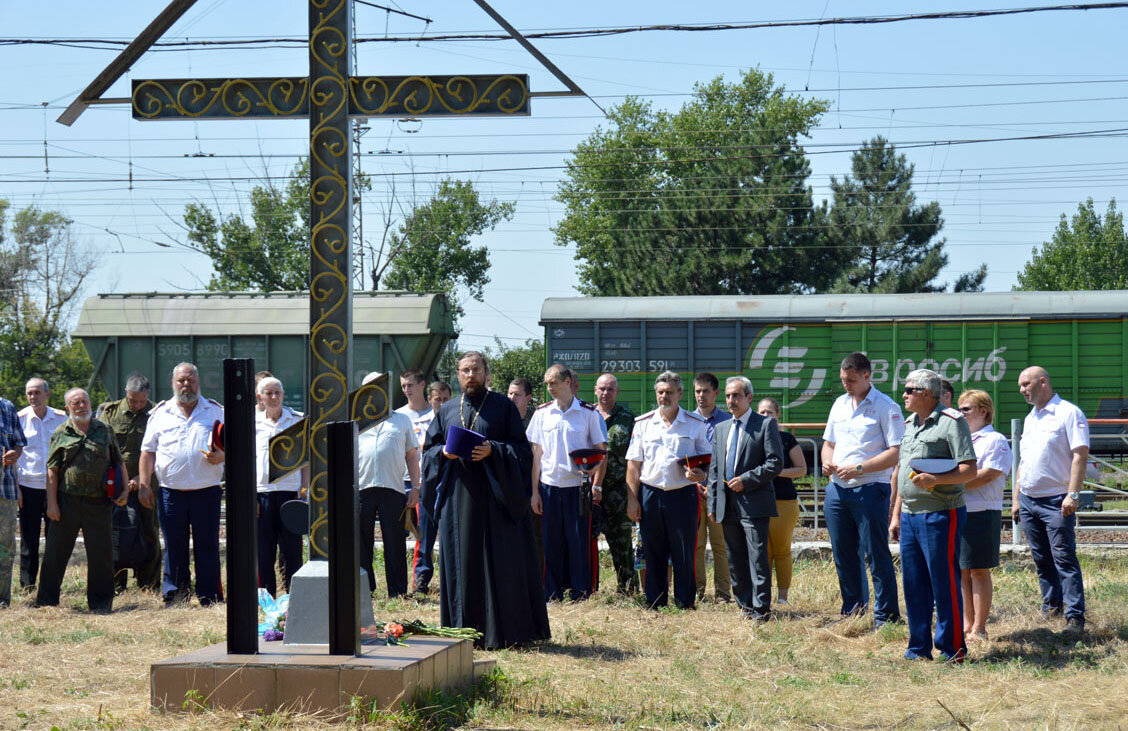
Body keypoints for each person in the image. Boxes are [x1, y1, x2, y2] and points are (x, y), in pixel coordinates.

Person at [421, 351, 550, 648]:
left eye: (475, 369)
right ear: (457, 375)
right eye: (464, 370)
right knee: (463, 562)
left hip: (496, 500)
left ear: (486, 373)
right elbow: (429, 451)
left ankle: (504, 632)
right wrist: (444, 453)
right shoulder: (448, 410)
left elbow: (522, 452)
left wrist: (493, 450)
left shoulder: (503, 407)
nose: (470, 375)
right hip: (459, 500)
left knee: (499, 564)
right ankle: (464, 630)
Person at [889, 369, 976, 662]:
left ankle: (952, 650)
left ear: (927, 394)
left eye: (909, 390)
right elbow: (904, 472)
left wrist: (935, 480)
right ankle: (918, 648)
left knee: (944, 582)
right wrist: (896, 515)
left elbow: (969, 469)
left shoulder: (952, 422)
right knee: (914, 584)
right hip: (912, 515)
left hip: (940, 513)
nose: (904, 394)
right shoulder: (910, 424)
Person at [821, 352, 903, 627]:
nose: (847, 384)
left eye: (852, 380)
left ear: (867, 376)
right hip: (837, 490)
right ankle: (853, 611)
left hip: (870, 488)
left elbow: (896, 452)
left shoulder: (885, 406)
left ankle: (886, 616)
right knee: (843, 553)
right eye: (844, 379)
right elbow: (828, 443)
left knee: (875, 554)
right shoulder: (839, 405)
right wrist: (826, 462)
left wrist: (860, 468)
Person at [139, 362, 225, 606]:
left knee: (207, 546)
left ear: (198, 382)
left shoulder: (216, 412)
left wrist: (222, 456)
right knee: (174, 547)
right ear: (173, 383)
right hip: (171, 493)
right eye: (181, 381)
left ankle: (210, 596)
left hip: (206, 491)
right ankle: (176, 596)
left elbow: (235, 446)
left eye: (191, 380)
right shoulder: (159, 414)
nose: (186, 385)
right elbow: (147, 452)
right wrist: (145, 484)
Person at [36, 388, 129, 612]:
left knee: (101, 555)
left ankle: (100, 604)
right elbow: (52, 471)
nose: (81, 406)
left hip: (99, 503)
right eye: (75, 403)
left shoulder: (104, 430)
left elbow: (119, 462)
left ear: (90, 403)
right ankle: (47, 602)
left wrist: (125, 490)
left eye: (84, 401)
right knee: (55, 553)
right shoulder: (61, 432)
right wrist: (51, 503)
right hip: (67, 501)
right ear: (68, 407)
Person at [626, 371, 711, 610]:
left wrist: (700, 474)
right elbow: (633, 465)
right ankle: (655, 601)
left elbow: (707, 461)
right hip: (651, 494)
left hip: (683, 495)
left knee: (684, 550)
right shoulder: (643, 424)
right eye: (661, 392)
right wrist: (632, 501)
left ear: (680, 394)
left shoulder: (695, 424)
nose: (664, 396)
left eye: (669, 392)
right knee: (653, 551)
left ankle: (685, 602)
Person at [1014, 366, 1089, 632]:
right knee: (1042, 559)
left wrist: (1073, 493)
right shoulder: (1030, 418)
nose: (1022, 389)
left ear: (1042, 382)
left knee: (1064, 559)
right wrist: (1016, 498)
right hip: (1029, 500)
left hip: (1057, 501)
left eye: (1026, 383)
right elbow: (1024, 460)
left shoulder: (1068, 413)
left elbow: (1080, 455)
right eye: (1021, 385)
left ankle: (1075, 617)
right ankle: (1051, 608)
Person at [528, 364, 607, 601]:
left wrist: (596, 482)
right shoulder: (541, 413)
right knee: (552, 542)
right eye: (547, 383)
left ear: (567, 382)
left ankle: (580, 592)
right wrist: (534, 492)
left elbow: (601, 451)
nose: (549, 387)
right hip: (550, 486)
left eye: (553, 382)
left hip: (578, 487)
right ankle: (552, 592)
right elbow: (536, 456)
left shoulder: (588, 413)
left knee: (578, 540)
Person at [707, 377, 784, 620]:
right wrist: (712, 503)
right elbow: (715, 470)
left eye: (736, 396)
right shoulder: (721, 429)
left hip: (754, 503)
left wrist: (746, 479)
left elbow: (775, 462)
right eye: (728, 396)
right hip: (727, 505)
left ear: (749, 397)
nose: (731, 400)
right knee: (735, 558)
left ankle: (761, 610)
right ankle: (745, 606)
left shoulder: (765, 425)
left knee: (757, 558)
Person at [98, 374, 162, 594]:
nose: (137, 405)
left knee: (149, 534)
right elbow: (102, 450)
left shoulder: (157, 413)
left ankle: (149, 585)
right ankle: (116, 584)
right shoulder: (109, 413)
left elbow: (162, 451)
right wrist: (122, 481)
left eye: (141, 401)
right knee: (115, 534)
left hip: (147, 485)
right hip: (116, 486)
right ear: (126, 393)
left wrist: (140, 480)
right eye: (133, 400)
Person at [358, 372, 420, 598]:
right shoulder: (354, 420)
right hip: (361, 488)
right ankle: (365, 589)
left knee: (394, 540)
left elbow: (411, 456)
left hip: (393, 488)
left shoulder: (401, 420)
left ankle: (398, 590)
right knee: (360, 540)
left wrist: (415, 486)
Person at [957, 389, 1012, 641]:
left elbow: (989, 474)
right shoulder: (962, 439)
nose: (961, 414)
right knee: (963, 569)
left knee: (978, 569)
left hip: (982, 511)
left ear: (984, 411)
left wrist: (950, 484)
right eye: (960, 409)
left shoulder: (995, 440)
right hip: (960, 509)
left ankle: (980, 627)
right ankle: (967, 623)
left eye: (966, 409)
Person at [254, 376, 306, 598]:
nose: (274, 397)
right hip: (262, 495)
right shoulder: (252, 424)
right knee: (264, 551)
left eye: (278, 393)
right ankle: (266, 598)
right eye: (269, 393)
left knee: (292, 549)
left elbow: (306, 460)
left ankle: (294, 597)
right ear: (260, 397)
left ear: (283, 395)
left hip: (289, 494)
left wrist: (304, 490)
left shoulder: (297, 421)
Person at [16, 378, 66, 591]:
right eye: (29, 393)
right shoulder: (19, 419)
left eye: (37, 392)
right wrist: (16, 488)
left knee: (55, 538)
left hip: (55, 488)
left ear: (48, 394)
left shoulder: (61, 419)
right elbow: (12, 457)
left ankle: (51, 584)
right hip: (28, 487)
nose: (33, 397)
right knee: (29, 538)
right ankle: (28, 585)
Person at [757, 397, 807, 605]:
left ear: (777, 415)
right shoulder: (754, 437)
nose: (765, 416)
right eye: (761, 412)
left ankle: (783, 597)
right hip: (759, 500)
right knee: (763, 552)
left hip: (784, 502)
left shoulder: (787, 439)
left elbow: (802, 469)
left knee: (781, 550)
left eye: (769, 412)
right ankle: (764, 596)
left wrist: (777, 473)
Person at [593, 373, 638, 594]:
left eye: (610, 389)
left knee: (622, 544)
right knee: (586, 542)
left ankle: (628, 589)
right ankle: (587, 588)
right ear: (595, 390)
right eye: (601, 389)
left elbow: (636, 456)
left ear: (617, 392)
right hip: (589, 490)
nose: (605, 393)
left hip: (619, 491)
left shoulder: (628, 418)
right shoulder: (587, 415)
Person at [692, 372, 732, 603]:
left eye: (705, 391)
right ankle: (697, 592)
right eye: (697, 391)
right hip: (694, 492)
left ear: (716, 393)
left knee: (720, 546)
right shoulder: (689, 420)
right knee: (696, 545)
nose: (701, 396)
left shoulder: (727, 421)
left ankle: (723, 594)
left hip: (719, 493)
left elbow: (730, 459)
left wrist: (715, 486)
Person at [398, 369, 437, 596]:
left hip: (425, 482)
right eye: (403, 386)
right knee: (397, 533)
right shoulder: (400, 415)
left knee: (423, 533)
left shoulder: (435, 415)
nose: (407, 390)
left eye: (410, 385)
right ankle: (398, 582)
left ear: (422, 385)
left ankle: (421, 580)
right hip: (401, 480)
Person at [0, 392, 27, 608]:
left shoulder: (7, 407)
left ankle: (2, 600)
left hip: (5, 490)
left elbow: (19, 443)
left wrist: (13, 454)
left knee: (6, 547)